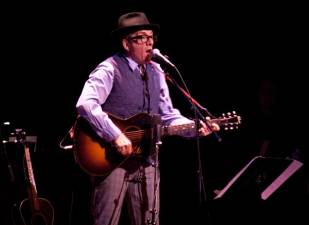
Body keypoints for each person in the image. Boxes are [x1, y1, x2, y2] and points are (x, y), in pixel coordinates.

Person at [75, 11, 219, 225]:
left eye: (151, 37)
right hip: (111, 159)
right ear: (126, 43)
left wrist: (193, 127)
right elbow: (85, 104)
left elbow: (168, 115)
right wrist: (115, 135)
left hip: (148, 159)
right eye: (142, 37)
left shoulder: (157, 71)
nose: (149, 43)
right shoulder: (110, 69)